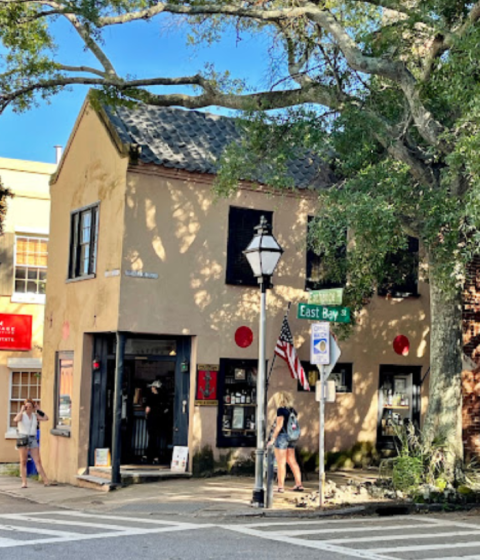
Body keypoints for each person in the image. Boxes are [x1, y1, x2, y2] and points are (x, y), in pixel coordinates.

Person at [267, 390, 304, 493]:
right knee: (292, 460)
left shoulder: (281, 410)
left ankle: (280, 487)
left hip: (282, 437)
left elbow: (279, 426)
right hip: (292, 437)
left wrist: (272, 439)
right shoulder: (292, 411)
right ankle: (299, 484)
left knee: (281, 462)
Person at [14, 399, 52, 488]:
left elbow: (46, 418)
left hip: (32, 438)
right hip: (23, 438)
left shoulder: (35, 416)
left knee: (37, 461)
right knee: (23, 461)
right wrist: (21, 410)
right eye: (27, 407)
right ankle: (24, 482)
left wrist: (38, 409)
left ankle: (46, 480)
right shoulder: (22, 415)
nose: (29, 409)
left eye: (30, 407)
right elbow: (16, 419)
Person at [144, 380, 168, 464]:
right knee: (156, 438)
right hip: (160, 419)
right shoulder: (162, 397)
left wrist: (146, 414)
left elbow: (147, 409)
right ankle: (154, 455)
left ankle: (150, 455)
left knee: (151, 437)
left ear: (154, 388)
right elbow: (165, 409)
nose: (151, 388)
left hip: (152, 419)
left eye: (152, 387)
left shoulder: (151, 397)